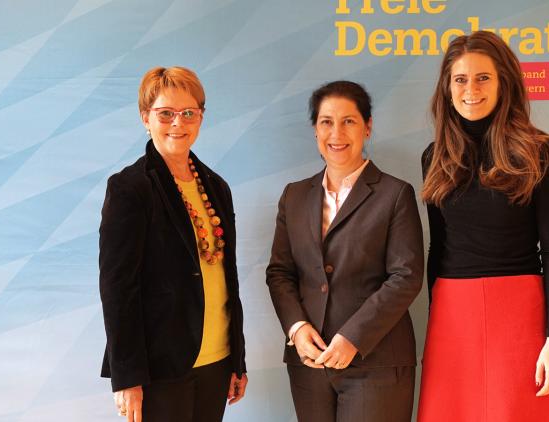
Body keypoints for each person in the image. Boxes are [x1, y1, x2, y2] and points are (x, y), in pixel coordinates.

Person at [417, 31, 549, 422]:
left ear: (504, 81)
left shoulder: (540, 151)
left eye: (483, 77)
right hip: (452, 315)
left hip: (521, 312)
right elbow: (438, 249)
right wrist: (438, 318)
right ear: (447, 89)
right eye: (460, 79)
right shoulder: (434, 157)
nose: (471, 89)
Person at [266, 80, 424, 422]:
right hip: (309, 363)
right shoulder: (294, 196)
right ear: (315, 130)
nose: (336, 132)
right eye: (326, 122)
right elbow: (280, 272)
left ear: (367, 127)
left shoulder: (395, 194)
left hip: (376, 362)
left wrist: (353, 337)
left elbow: (406, 277)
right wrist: (296, 327)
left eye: (348, 121)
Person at [98, 66, 247, 422]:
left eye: (188, 113)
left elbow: (228, 277)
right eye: (165, 113)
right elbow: (118, 289)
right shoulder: (130, 188)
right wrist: (127, 377)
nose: (177, 123)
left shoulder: (216, 186)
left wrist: (237, 358)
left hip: (217, 358)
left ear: (200, 117)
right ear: (145, 118)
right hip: (159, 368)